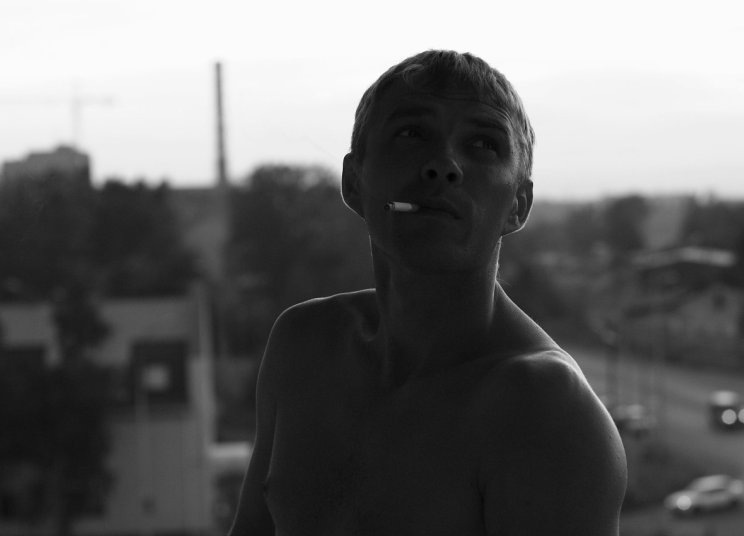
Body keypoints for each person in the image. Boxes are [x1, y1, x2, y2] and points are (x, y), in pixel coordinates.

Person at [228, 49, 627, 536]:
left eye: (482, 144)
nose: (444, 165)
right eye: (411, 134)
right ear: (354, 183)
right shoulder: (305, 346)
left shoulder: (544, 411)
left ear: (518, 205)